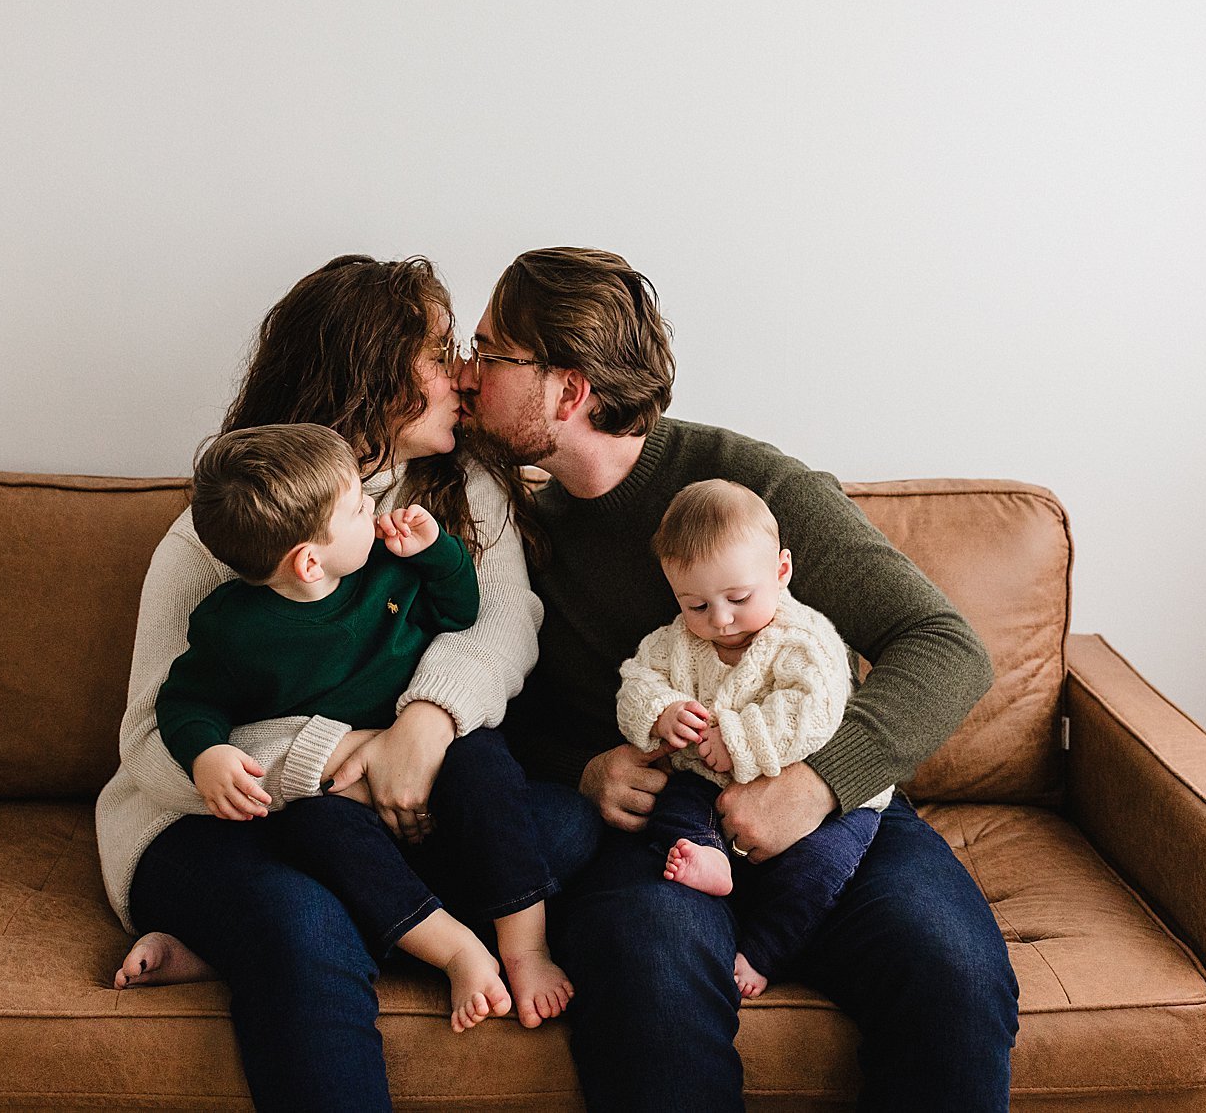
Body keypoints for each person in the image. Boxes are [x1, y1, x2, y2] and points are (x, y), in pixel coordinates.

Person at [457, 247, 1020, 1112]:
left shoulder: (745, 487)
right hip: (660, 834)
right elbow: (492, 707)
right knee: (648, 984)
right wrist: (584, 769)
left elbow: (945, 646)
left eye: (491, 354)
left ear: (568, 393)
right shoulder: (505, 526)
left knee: (952, 973)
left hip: (833, 812)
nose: (467, 374)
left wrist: (816, 787)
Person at [94, 255, 601, 1112]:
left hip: (389, 810)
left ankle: (242, 941)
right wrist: (336, 757)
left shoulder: (465, 490)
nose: (464, 377)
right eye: (440, 356)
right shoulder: (220, 534)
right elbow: (154, 740)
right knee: (301, 926)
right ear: (369, 377)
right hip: (214, 825)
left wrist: (424, 728)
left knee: (558, 829)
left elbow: (499, 623)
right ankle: (302, 930)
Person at [152, 422, 570, 1032]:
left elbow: (462, 610)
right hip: (338, 796)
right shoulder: (231, 630)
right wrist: (206, 753)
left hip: (433, 763)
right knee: (314, 836)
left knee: (488, 765)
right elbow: (185, 701)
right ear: (308, 561)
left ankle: (526, 947)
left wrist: (436, 552)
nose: (376, 508)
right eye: (357, 506)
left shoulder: (390, 571)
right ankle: (456, 949)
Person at [616, 478, 887, 999]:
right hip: (703, 781)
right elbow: (637, 682)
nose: (719, 620)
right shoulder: (675, 642)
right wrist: (660, 712)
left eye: (738, 598)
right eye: (695, 605)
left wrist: (737, 739)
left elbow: (813, 711)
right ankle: (706, 854)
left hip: (822, 796)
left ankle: (764, 951)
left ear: (781, 572)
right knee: (670, 811)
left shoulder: (803, 639)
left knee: (819, 869)